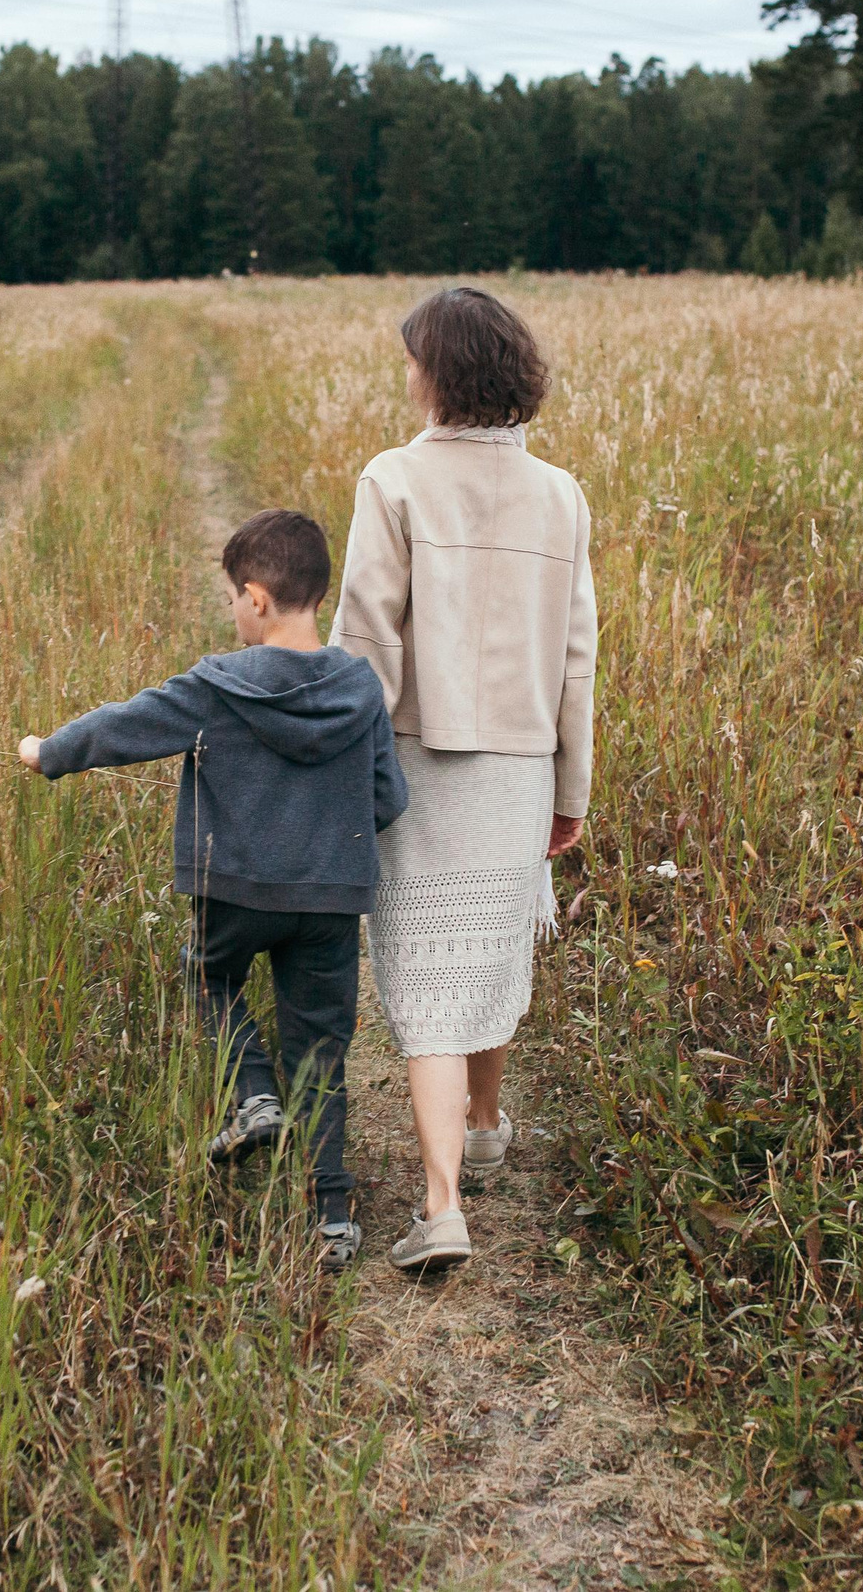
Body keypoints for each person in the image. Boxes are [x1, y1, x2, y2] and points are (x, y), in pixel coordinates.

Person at [18, 509, 407, 1273]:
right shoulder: (360, 688)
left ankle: (254, 1096)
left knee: (212, 978)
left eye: (233, 595)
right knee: (322, 1047)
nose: (231, 610)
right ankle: (331, 1216)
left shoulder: (218, 685)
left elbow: (126, 725)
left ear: (257, 599)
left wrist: (50, 752)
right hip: (329, 898)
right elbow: (389, 800)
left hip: (231, 891)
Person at [332, 286, 595, 1274]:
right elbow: (578, 658)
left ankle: (442, 1200)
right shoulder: (559, 494)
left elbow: (363, 643)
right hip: (520, 764)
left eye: (412, 360)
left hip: (417, 759)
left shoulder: (391, 481)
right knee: (486, 950)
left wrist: (344, 769)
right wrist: (572, 790)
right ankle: (484, 1120)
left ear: (440, 372)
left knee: (423, 976)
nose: (406, 376)